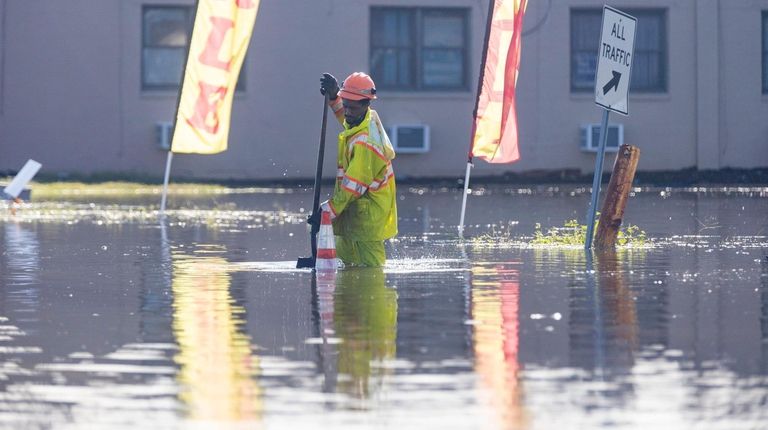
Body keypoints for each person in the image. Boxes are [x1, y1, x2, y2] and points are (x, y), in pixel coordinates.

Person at [308, 72, 398, 267]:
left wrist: (325, 214)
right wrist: (334, 98)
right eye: (345, 105)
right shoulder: (363, 120)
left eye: (352, 107)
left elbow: (352, 187)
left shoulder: (367, 142)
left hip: (367, 219)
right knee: (347, 272)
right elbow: (346, 119)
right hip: (353, 213)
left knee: (371, 273)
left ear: (367, 104)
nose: (347, 111)